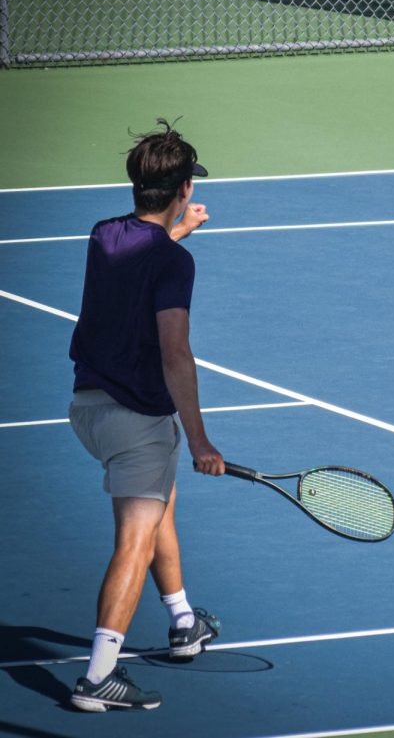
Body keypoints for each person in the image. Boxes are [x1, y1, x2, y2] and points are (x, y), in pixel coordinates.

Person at [67, 119, 226, 712]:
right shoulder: (172, 265)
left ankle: (184, 623)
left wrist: (174, 236)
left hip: (87, 410)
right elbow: (175, 353)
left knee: (161, 502)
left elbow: (140, 263)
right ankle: (98, 677)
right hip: (137, 421)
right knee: (134, 539)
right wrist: (202, 439)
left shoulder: (104, 235)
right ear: (184, 188)